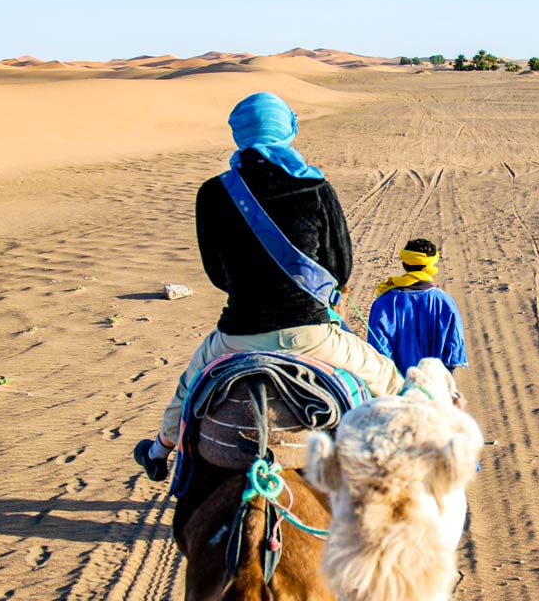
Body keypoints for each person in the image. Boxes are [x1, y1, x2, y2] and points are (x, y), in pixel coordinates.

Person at [134, 92, 404, 481]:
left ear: (239, 132)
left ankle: (159, 452)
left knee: (189, 386)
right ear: (288, 129)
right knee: (390, 380)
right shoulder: (316, 188)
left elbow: (216, 274)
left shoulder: (213, 192)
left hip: (237, 337)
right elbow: (340, 267)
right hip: (313, 337)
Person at [367, 238, 468, 378]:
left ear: (404, 264)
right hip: (435, 387)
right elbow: (454, 352)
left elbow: (378, 351)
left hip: (395, 388)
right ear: (431, 267)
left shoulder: (383, 302)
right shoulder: (445, 302)